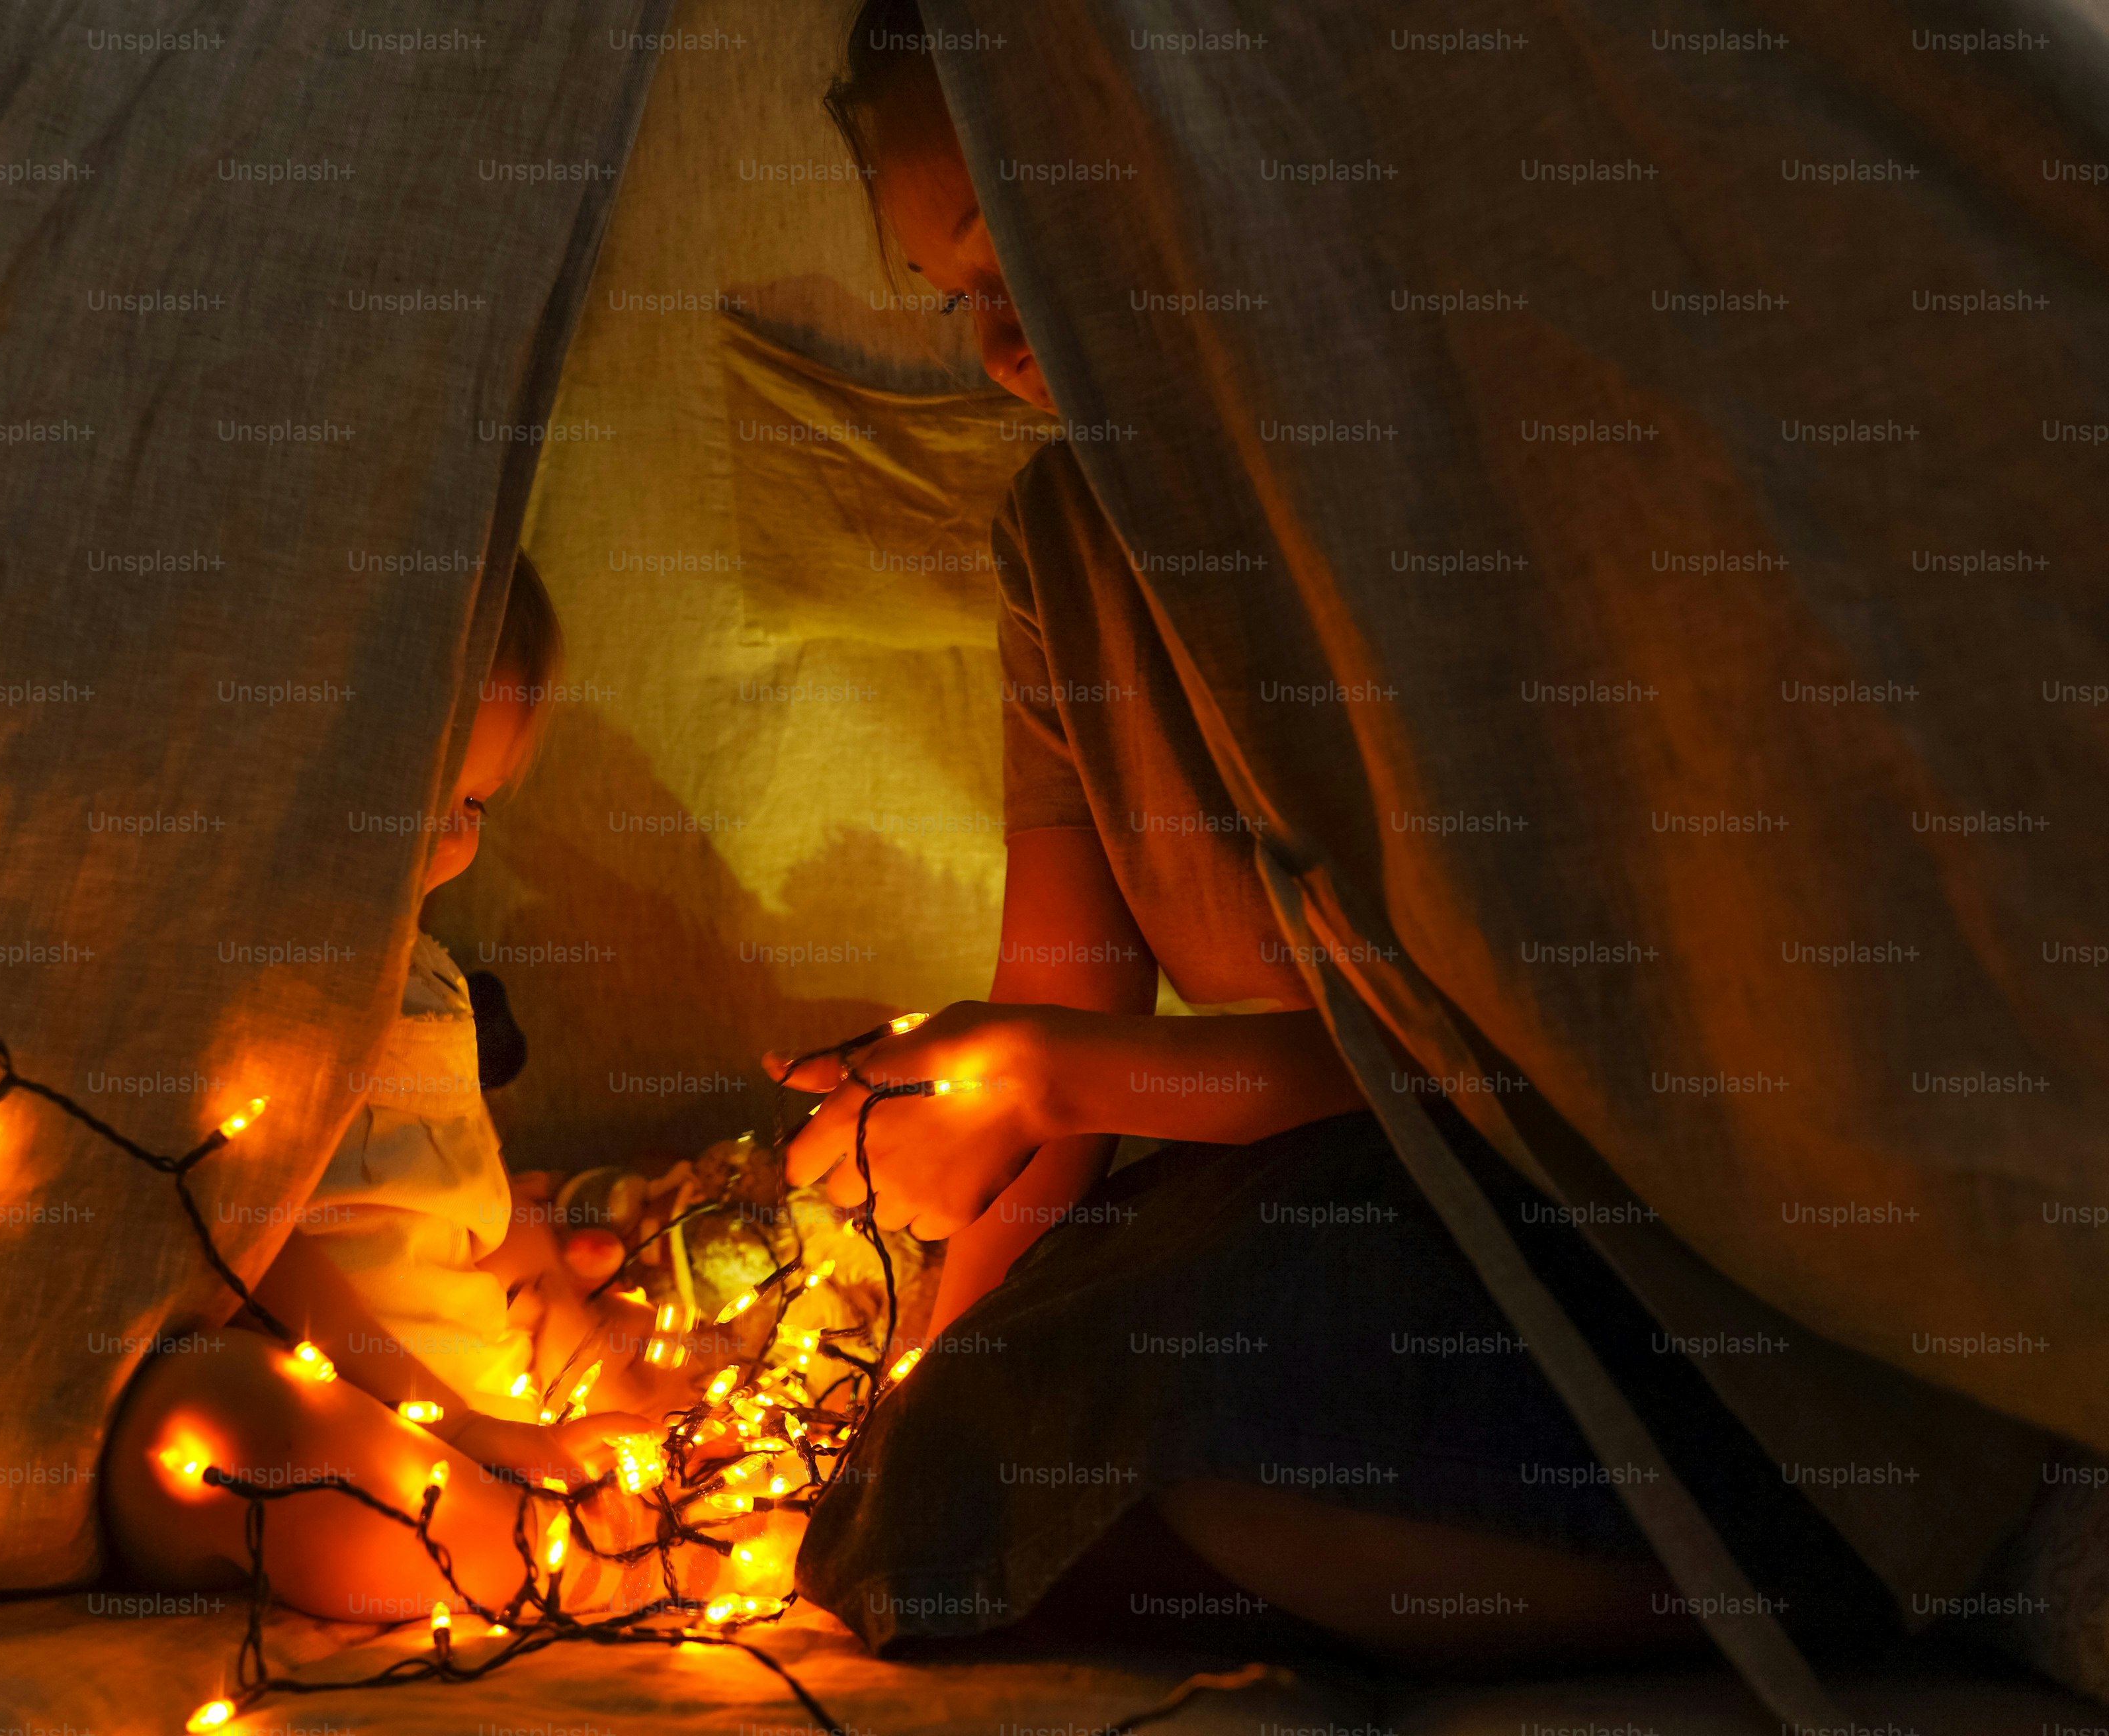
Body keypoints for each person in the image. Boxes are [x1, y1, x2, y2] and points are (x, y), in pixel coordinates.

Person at [779, 0, 1895, 1673]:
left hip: (1559, 1205)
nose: (998, 341)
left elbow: (1519, 1055)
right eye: (957, 300)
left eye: (1021, 256)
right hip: (1277, 1195)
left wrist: (1069, 1074)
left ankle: (1809, 1567)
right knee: (981, 1454)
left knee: (1274, 1336)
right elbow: (1054, 1040)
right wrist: (945, 1366)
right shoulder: (1057, 538)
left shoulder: (1453, 465)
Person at [102, 556, 696, 1621]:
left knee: (633, 1355)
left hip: (479, 1394)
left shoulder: (432, 983)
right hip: (336, 1392)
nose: (443, 838)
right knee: (218, 1424)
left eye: (472, 803)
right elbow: (250, 1248)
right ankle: (561, 1561)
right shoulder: (234, 984)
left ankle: (563, 1524)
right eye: (413, 798)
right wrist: (452, 1431)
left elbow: (473, 1212)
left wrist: (581, 1345)